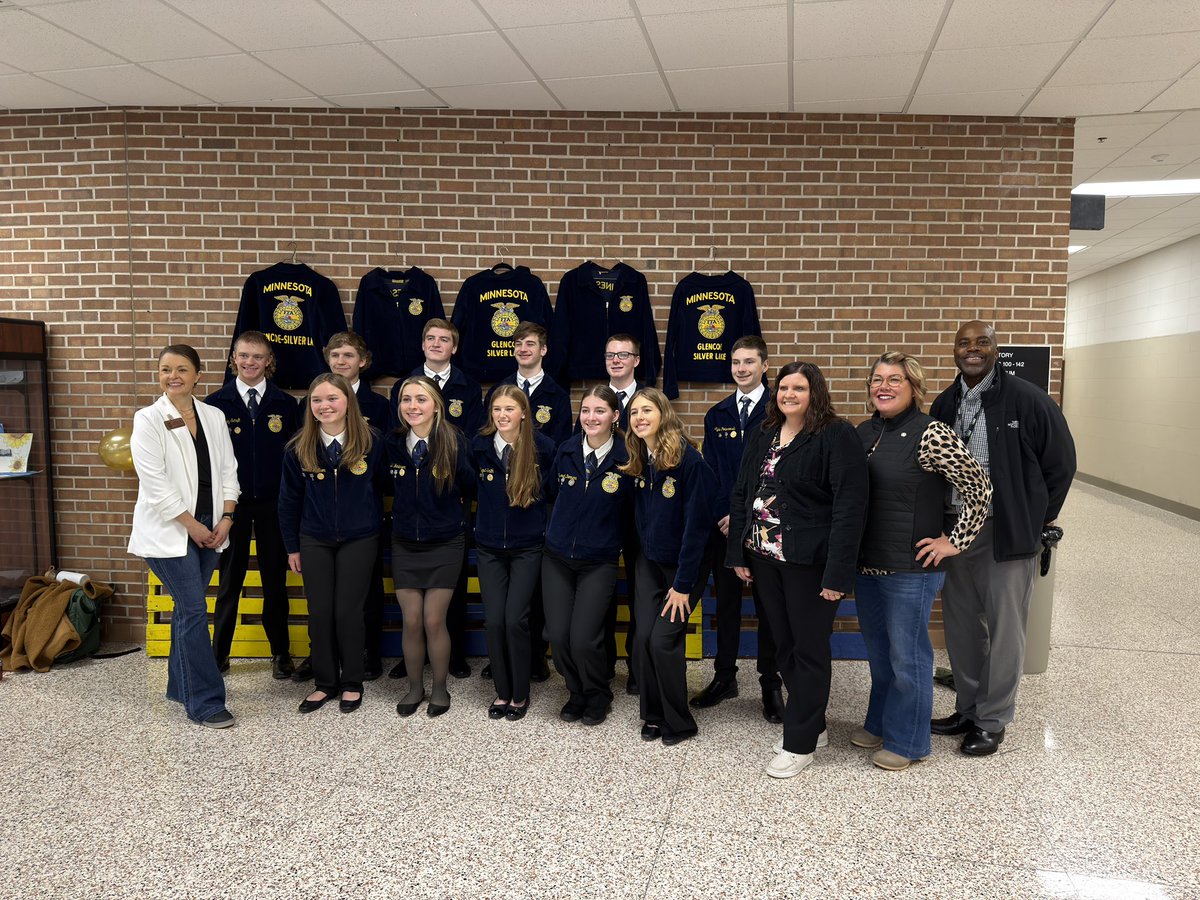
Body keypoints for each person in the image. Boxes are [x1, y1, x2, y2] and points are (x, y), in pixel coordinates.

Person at [929, 321, 1076, 756]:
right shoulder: (946, 401)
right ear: (954, 350)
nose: (972, 349)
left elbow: (1061, 464)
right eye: (964, 343)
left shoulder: (1028, 399)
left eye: (982, 342)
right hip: (956, 531)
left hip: (1006, 532)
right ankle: (969, 708)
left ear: (996, 349)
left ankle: (993, 720)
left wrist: (1036, 519)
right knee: (960, 626)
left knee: (1006, 627)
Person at [728, 362, 868, 778]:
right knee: (784, 646)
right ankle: (815, 722)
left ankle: (800, 742)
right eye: (784, 387)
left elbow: (850, 507)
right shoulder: (765, 432)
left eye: (800, 388)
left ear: (815, 392)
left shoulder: (835, 435)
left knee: (808, 649)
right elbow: (742, 493)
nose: (789, 394)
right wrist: (738, 553)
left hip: (811, 563)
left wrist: (837, 575)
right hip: (764, 558)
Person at [855, 352, 992, 771]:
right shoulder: (862, 432)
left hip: (910, 570)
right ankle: (879, 722)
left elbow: (979, 487)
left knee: (908, 658)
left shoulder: (931, 434)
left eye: (895, 379)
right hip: (867, 566)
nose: (884, 386)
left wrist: (954, 540)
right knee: (879, 655)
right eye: (878, 379)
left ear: (914, 387)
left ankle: (909, 741)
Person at [128, 344, 239, 729]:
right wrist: (193, 525)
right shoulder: (147, 419)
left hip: (212, 526)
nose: (172, 376)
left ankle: (179, 686)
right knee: (193, 609)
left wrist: (226, 518)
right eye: (164, 370)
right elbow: (155, 485)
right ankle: (206, 703)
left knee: (186, 609)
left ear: (197, 374)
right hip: (171, 530)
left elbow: (228, 469)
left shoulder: (213, 415)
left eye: (180, 369)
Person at [279, 374, 386, 715]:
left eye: (332, 399)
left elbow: (383, 489)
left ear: (348, 403)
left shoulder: (372, 442)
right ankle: (325, 682)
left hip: (360, 538)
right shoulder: (299, 447)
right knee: (321, 611)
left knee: (348, 611)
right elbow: (288, 501)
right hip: (314, 539)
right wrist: (292, 546)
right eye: (316, 401)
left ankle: (352, 681)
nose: (324, 406)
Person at [690, 335, 782, 723]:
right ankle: (724, 676)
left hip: (766, 528)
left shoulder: (780, 409)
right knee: (726, 605)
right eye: (736, 362)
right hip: (726, 528)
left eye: (749, 362)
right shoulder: (718, 414)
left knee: (769, 609)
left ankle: (770, 684)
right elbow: (710, 474)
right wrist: (726, 516)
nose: (741, 368)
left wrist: (749, 517)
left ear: (764, 366)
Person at [387, 317, 482, 681]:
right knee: (413, 614)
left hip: (447, 515)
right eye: (430, 338)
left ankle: (451, 655)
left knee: (444, 603)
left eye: (444, 339)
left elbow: (469, 457)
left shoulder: (467, 387)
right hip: (408, 529)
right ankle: (414, 661)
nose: (413, 404)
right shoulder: (402, 393)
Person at [621, 388, 716, 747]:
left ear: (664, 414)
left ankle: (680, 721)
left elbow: (697, 531)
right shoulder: (638, 458)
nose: (640, 418)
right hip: (649, 563)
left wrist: (683, 585)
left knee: (663, 642)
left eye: (647, 410)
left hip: (683, 569)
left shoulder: (690, 462)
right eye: (633, 413)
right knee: (643, 639)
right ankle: (654, 713)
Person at [205, 331, 298, 680]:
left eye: (257, 357)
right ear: (233, 359)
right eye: (243, 356)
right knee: (230, 581)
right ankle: (220, 655)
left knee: (276, 581)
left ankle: (280, 653)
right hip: (234, 506)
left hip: (274, 505)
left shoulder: (286, 405)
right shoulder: (215, 403)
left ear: (268, 361)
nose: (249, 363)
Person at [484, 321, 572, 683]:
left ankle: (534, 656)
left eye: (530, 343)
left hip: (537, 506)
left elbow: (563, 447)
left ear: (543, 350)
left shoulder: (556, 392)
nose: (523, 348)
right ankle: (504, 658)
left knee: (532, 598)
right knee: (505, 606)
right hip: (501, 511)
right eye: (518, 343)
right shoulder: (500, 391)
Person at [543, 386, 633, 727]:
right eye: (586, 411)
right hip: (557, 557)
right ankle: (575, 691)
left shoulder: (626, 457)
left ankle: (597, 693)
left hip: (599, 560)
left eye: (599, 411)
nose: (591, 418)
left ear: (614, 417)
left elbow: (632, 511)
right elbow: (552, 494)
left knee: (583, 637)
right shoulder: (565, 450)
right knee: (558, 635)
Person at [470, 385, 556, 721]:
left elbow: (551, 493)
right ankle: (502, 692)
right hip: (489, 546)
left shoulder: (543, 448)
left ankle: (520, 694)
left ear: (523, 412)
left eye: (509, 409)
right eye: (497, 409)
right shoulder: (478, 447)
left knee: (515, 620)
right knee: (493, 620)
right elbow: (468, 486)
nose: (502, 415)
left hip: (527, 547)